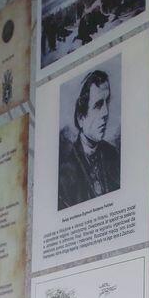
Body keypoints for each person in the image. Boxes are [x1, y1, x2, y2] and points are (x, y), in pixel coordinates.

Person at [57, 69, 121, 210]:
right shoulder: (66, 172)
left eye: (107, 102)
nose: (106, 113)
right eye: (98, 105)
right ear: (81, 117)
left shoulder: (113, 154)